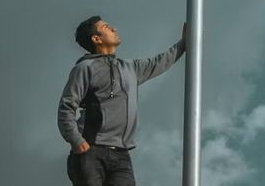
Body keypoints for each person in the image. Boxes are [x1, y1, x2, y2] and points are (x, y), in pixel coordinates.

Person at [58, 16, 186, 186]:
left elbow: (159, 62)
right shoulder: (85, 68)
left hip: (121, 155)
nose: (114, 29)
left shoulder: (130, 68)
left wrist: (184, 43)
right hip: (91, 150)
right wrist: (76, 140)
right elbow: (67, 106)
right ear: (96, 39)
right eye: (107, 27)